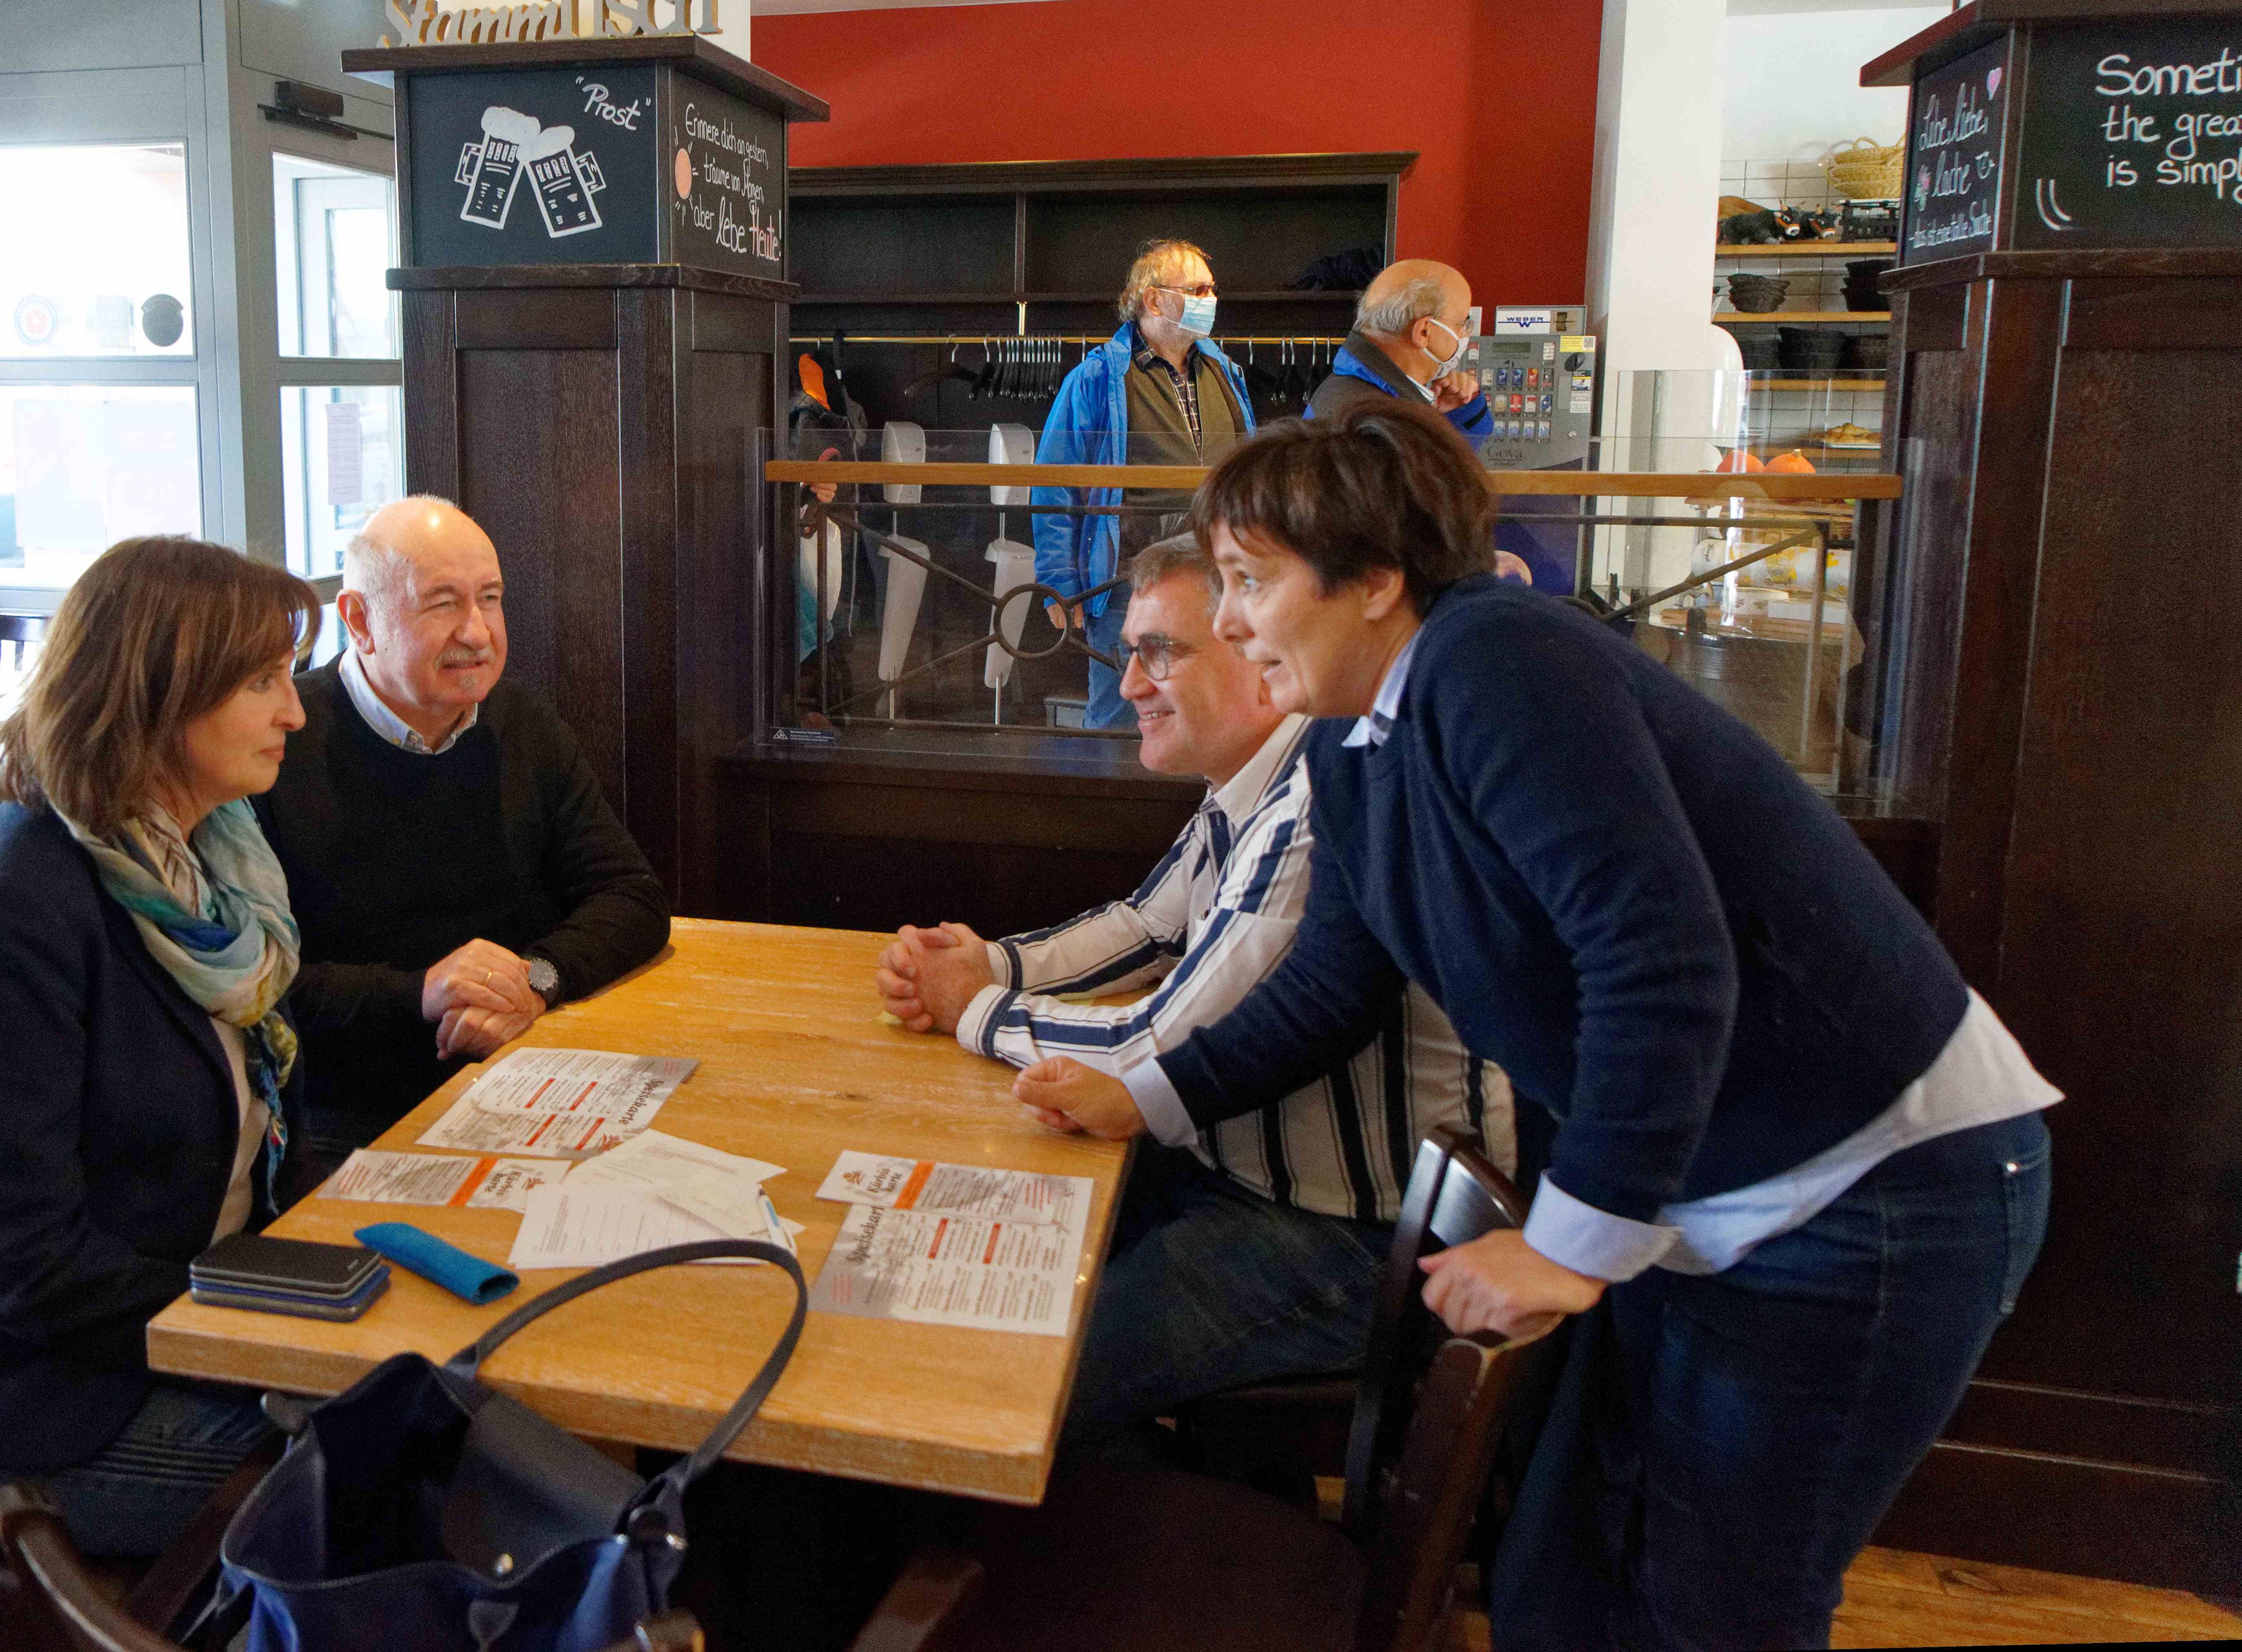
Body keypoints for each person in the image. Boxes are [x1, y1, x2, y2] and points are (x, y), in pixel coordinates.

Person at [1012, 401, 2058, 1651]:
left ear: (1376, 579)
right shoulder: (1353, 737)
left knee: (1716, 1601)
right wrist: (1142, 1094)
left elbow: (1659, 961)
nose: (1228, 620)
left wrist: (1567, 1244)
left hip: (1869, 1181)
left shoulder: (1498, 659)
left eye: (1250, 580)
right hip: (1696, 1182)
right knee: (1562, 1575)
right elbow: (1331, 983)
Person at [876, 533, 1511, 1444]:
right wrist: (988, 962)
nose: (1132, 682)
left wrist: (969, 1007)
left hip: (1357, 1239)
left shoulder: (1310, 802)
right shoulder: (1252, 784)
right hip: (1241, 1179)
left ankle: (1048, 1519)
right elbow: (1144, 927)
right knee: (957, 1261)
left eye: (1161, 652)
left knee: (1009, 1379)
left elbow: (1149, 1049)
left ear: (1259, 655)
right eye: (1131, 651)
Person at [0, 537, 326, 1555]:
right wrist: (259, 1320)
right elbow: (22, 1266)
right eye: (262, 683)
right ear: (154, 693)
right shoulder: (12, 909)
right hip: (14, 1407)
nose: (295, 712)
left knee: (453, 1408)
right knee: (395, 1471)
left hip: (157, 1327)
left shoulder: (212, 866)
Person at [253, 496, 670, 1159]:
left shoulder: (521, 722)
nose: (478, 633)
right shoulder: (276, 745)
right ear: (359, 619)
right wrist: (422, 994)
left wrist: (536, 979)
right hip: (343, 1115)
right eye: (443, 603)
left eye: (491, 599)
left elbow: (632, 895)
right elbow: (258, 986)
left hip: (522, 1072)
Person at [1034, 238, 1256, 730]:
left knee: (1211, 709)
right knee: (1119, 712)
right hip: (1126, 582)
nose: (1211, 300)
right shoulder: (1096, 379)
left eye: (1211, 289)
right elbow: (1055, 484)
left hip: (1217, 574)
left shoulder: (1225, 372)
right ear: (1153, 300)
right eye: (1197, 290)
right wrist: (1059, 586)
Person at [1306, 259, 1494, 452]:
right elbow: (1444, 469)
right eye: (1463, 324)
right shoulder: (1376, 426)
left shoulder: (1357, 396)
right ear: (1424, 332)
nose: (1465, 333)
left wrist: (1451, 416)